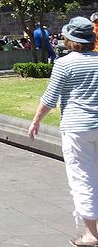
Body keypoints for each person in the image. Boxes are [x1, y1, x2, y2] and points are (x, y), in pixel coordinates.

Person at [28, 17, 98, 247]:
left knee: (82, 178)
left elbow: (50, 98)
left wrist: (36, 120)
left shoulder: (65, 63)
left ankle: (91, 234)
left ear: (70, 39)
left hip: (77, 128)